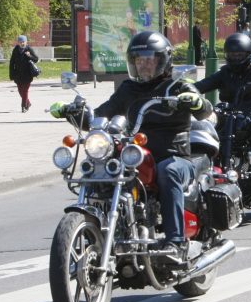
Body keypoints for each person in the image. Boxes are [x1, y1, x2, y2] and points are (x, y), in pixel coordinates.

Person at [52, 31, 212, 262]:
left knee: (168, 172)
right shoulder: (128, 89)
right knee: (100, 169)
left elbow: (204, 109)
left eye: (149, 60)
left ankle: (176, 242)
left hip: (173, 155)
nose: (144, 65)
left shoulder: (176, 86)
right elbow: (100, 116)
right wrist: (72, 112)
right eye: (139, 60)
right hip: (133, 156)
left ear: (163, 61)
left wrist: (196, 101)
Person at [195, 33, 251, 183]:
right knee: (206, 124)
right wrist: (185, 88)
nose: (235, 58)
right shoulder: (224, 73)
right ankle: (203, 169)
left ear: (248, 54)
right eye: (232, 54)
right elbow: (202, 85)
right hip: (229, 114)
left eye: (239, 54)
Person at [9, 35, 39, 112]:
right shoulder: (15, 50)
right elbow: (12, 62)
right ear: (18, 42)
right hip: (18, 74)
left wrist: (29, 56)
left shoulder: (28, 49)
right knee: (20, 90)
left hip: (27, 74)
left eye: (23, 42)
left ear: (26, 42)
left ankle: (24, 106)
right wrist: (11, 74)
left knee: (25, 90)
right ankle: (28, 103)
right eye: (20, 42)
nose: (22, 43)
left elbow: (36, 59)